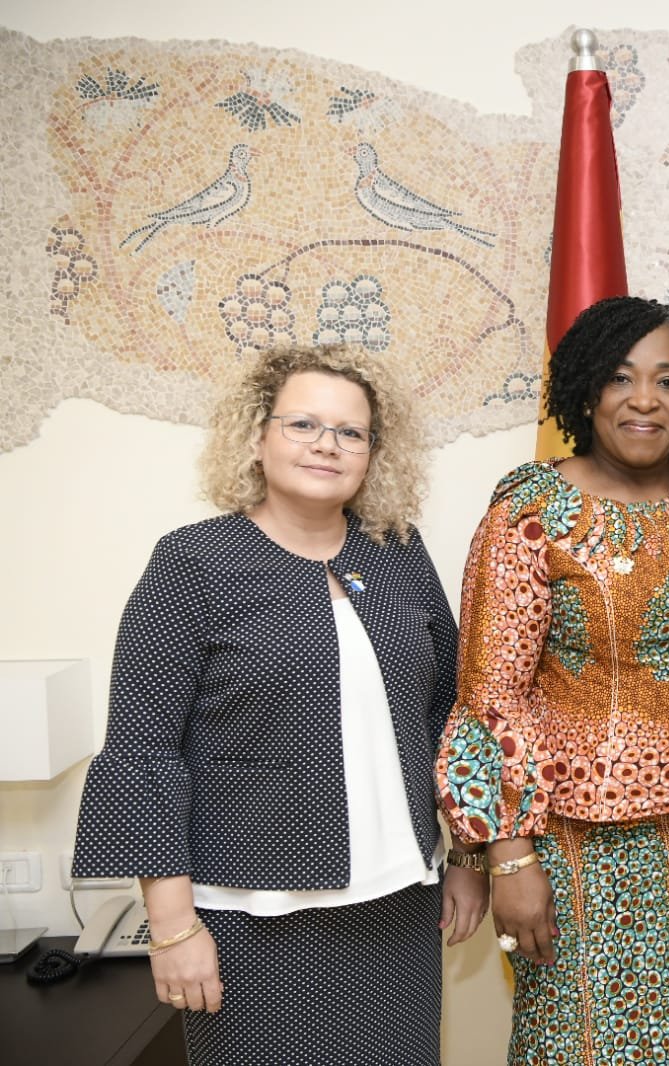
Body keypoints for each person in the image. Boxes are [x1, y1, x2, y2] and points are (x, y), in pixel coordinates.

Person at [73, 345, 482, 1065]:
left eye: (350, 432)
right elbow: (143, 750)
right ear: (258, 437)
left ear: (373, 454)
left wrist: (469, 858)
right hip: (247, 917)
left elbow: (449, 717)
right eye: (303, 424)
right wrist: (171, 926)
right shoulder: (193, 563)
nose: (326, 445)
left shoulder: (398, 553)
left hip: (397, 907)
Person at [436, 295, 669, 1065]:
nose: (644, 399)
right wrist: (509, 858)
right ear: (585, 391)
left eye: (667, 381)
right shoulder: (531, 512)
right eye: (620, 378)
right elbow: (490, 695)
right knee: (583, 1041)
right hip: (570, 840)